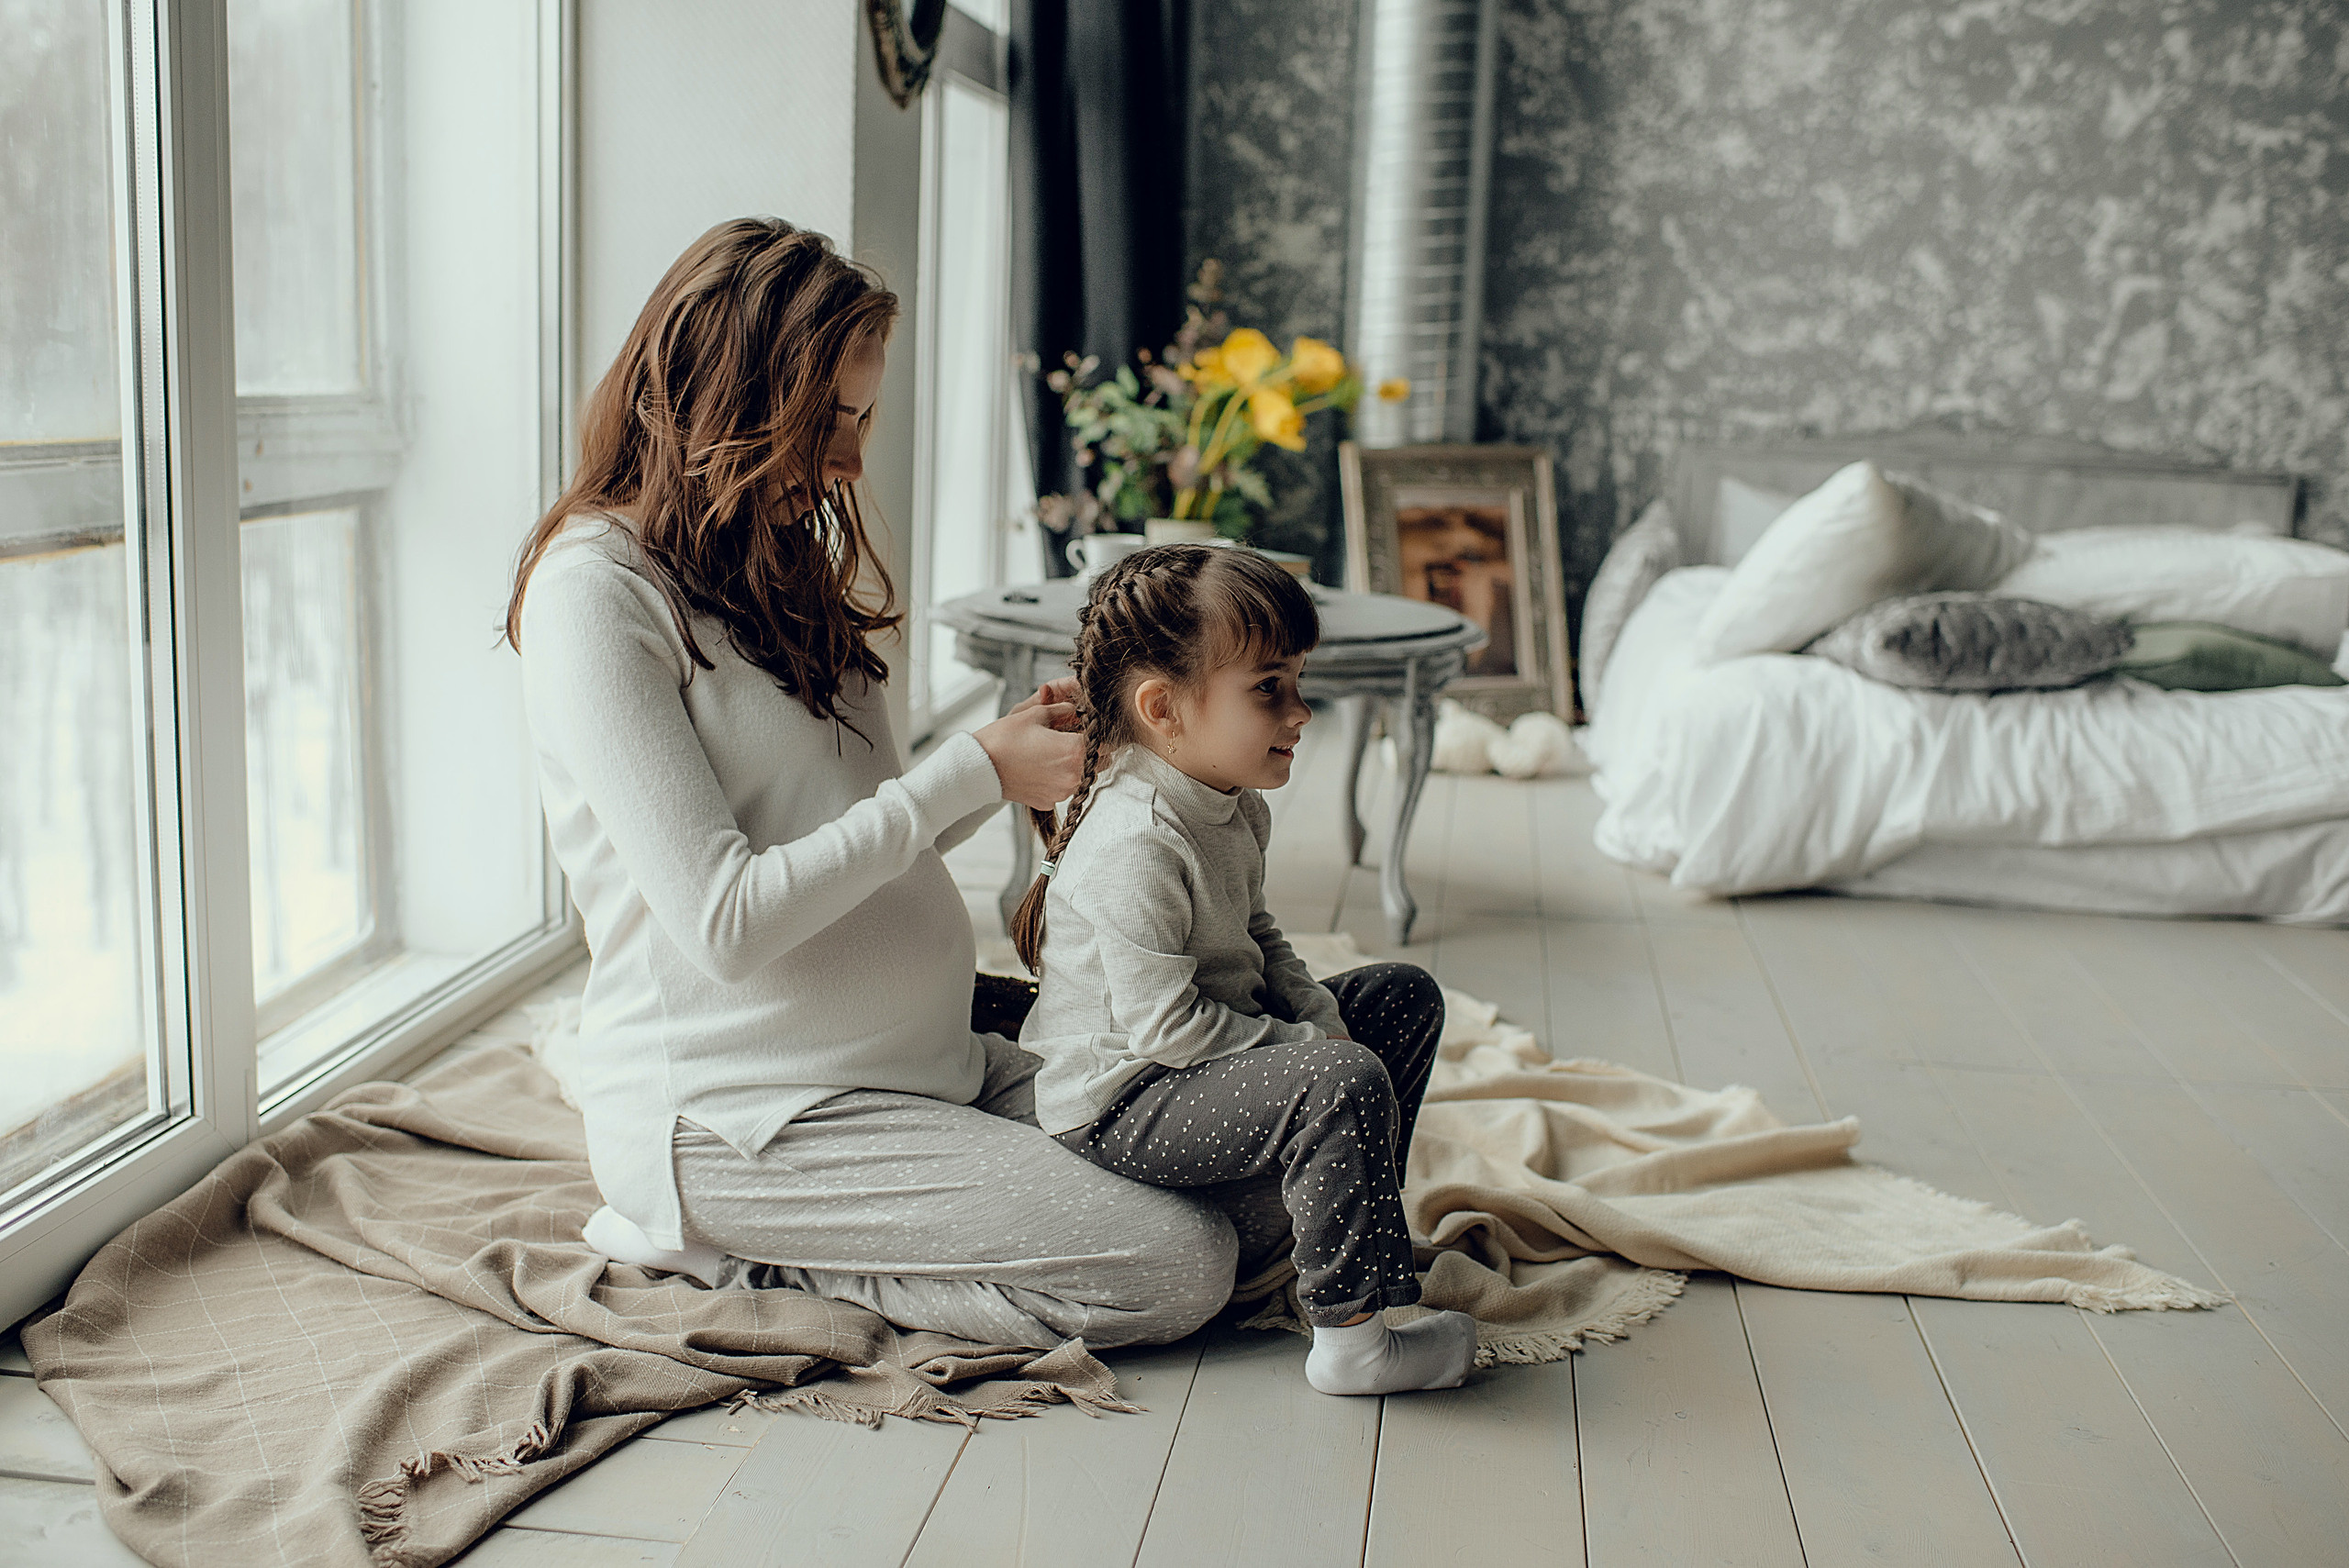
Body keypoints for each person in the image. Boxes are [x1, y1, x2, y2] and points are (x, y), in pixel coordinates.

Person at [503, 217, 1237, 1350]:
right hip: (750, 1112)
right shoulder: (592, 593)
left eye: (859, 419)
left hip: (920, 1064)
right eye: (821, 423)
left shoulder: (771, 551)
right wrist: (965, 773)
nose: (848, 462)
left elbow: (856, 841)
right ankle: (761, 1255)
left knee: (1249, 1157)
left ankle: (871, 1220)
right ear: (718, 398)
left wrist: (1010, 773)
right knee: (1182, 1263)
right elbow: (727, 921)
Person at [1011, 544, 1476, 1396]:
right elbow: (1169, 1029)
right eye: (1270, 688)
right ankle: (1353, 1342)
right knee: (1336, 1078)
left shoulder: (1232, 805)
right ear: (1164, 708)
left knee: (1401, 998)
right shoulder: (1137, 839)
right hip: (1125, 1100)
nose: (1301, 711)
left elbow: (1257, 931)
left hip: (1203, 1059)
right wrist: (1305, 1042)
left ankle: (1348, 1238)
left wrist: (1313, 1009)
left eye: (1299, 682)